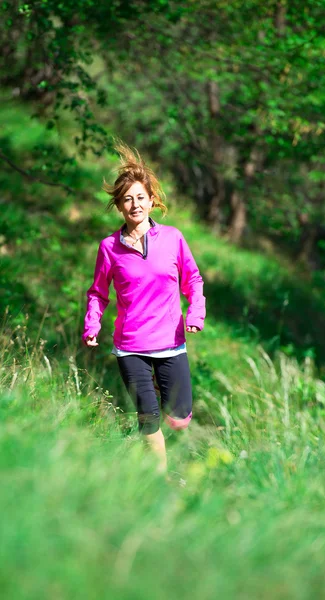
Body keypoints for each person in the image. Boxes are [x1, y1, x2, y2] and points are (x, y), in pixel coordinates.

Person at [82, 142, 206, 474]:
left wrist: (195, 313)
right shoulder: (109, 247)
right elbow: (98, 292)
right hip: (131, 345)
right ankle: (162, 481)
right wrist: (92, 324)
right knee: (147, 416)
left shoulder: (173, 238)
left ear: (152, 201)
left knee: (178, 418)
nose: (135, 204)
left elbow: (192, 280)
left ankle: (175, 436)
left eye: (140, 197)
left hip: (170, 341)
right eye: (127, 199)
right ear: (120, 206)